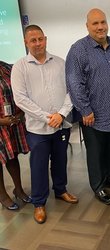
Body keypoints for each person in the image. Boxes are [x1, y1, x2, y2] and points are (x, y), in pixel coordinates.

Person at [65, 9, 110, 205]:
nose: (100, 27)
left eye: (102, 22)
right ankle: (98, 186)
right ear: (87, 26)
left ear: (107, 23)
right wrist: (85, 109)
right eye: (95, 23)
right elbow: (73, 82)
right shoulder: (78, 49)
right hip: (92, 115)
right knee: (95, 154)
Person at [11, 25, 78, 224]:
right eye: (33, 40)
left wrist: (61, 114)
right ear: (26, 42)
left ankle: (61, 190)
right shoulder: (20, 67)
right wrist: (47, 117)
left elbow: (71, 91)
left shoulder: (60, 63)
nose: (38, 43)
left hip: (61, 124)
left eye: (40, 39)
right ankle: (39, 203)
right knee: (38, 166)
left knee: (60, 160)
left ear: (45, 39)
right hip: (37, 129)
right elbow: (20, 99)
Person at [0, 61, 31, 210]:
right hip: (1, 123)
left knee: (12, 156)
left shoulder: (7, 68)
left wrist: (21, 112)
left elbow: (21, 91)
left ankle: (18, 189)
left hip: (13, 122)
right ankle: (2, 195)